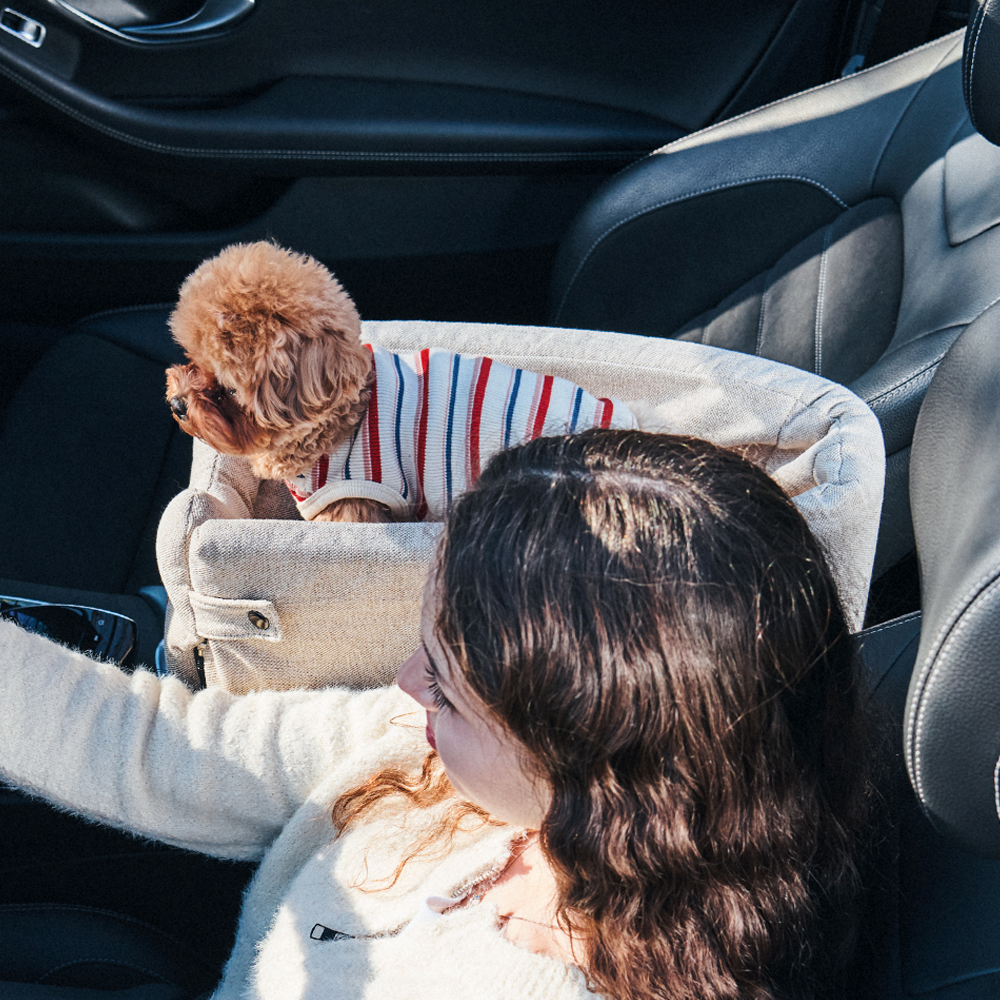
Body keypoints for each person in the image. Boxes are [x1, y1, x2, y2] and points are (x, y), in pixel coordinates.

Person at [0, 429, 878, 1000]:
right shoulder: (436, 764)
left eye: (450, 689)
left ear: (594, 779)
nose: (407, 683)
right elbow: (169, 750)